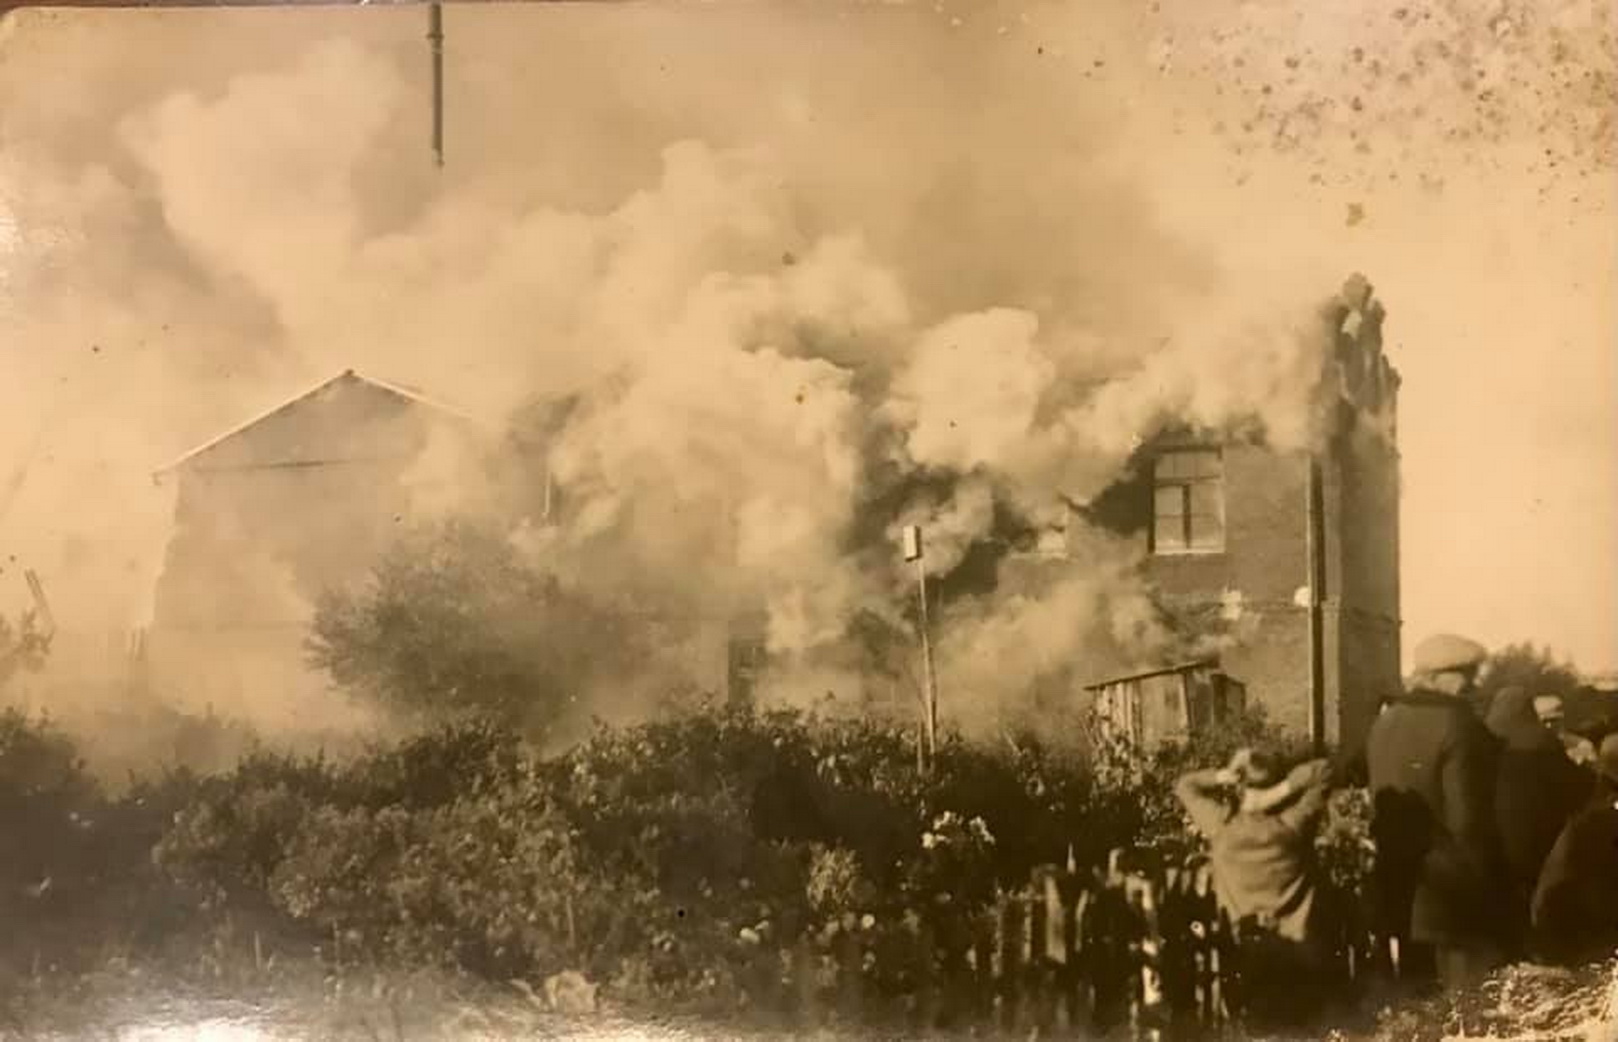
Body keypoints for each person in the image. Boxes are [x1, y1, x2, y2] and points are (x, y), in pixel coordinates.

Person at [1365, 633, 1505, 997]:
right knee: (1465, 1003)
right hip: (1452, 897)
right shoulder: (1460, 725)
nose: (1472, 683)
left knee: (1415, 999)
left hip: (1399, 885)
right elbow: (1469, 821)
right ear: (1435, 677)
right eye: (1465, 674)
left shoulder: (1385, 722)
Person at [1175, 745, 1334, 1031]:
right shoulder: (1293, 826)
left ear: (1239, 785)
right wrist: (1280, 791)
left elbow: (1185, 785)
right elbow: (1323, 770)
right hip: (1297, 957)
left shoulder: (1221, 827)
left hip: (1242, 955)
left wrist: (1223, 776)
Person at [1483, 686, 1594, 957]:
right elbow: (1579, 789)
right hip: (1542, 841)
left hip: (1496, 844)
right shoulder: (1543, 743)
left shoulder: (1482, 744)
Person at [1530, 734, 1618, 966]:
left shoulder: (1584, 826)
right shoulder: (1591, 827)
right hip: (1595, 946)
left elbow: (1545, 901)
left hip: (1584, 948)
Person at [1533, 693, 1599, 767]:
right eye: (1545, 721)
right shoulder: (1536, 745)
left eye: (1554, 721)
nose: (1549, 725)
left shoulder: (1583, 745)